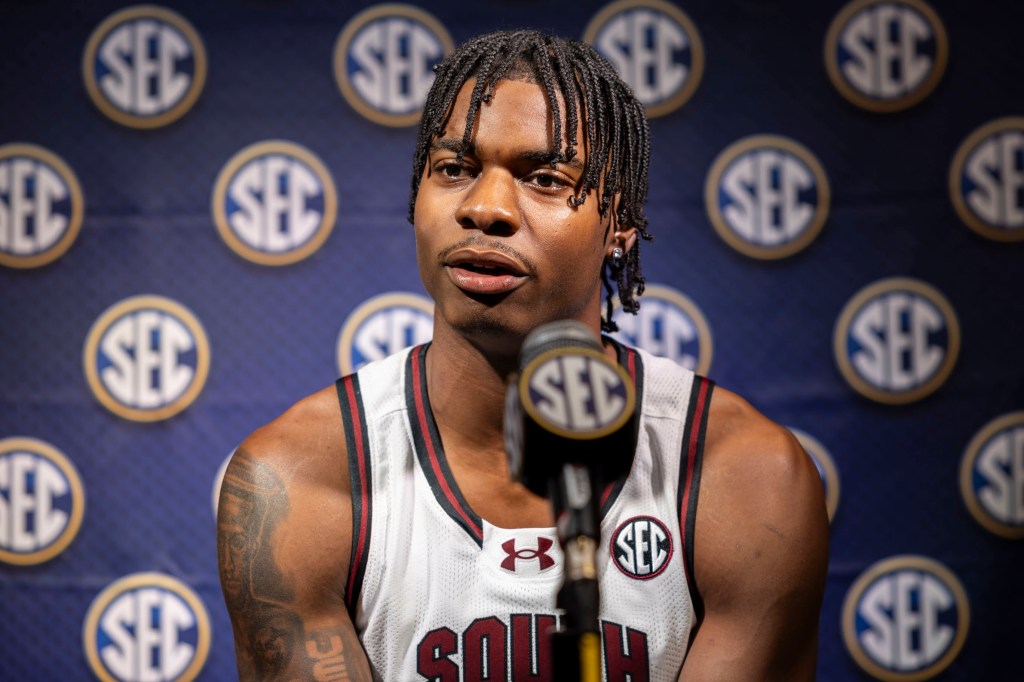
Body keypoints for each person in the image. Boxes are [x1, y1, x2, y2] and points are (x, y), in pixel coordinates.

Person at [217, 29, 829, 681]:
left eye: (543, 178)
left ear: (620, 221)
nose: (485, 208)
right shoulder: (298, 484)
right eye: (454, 169)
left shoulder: (745, 479)